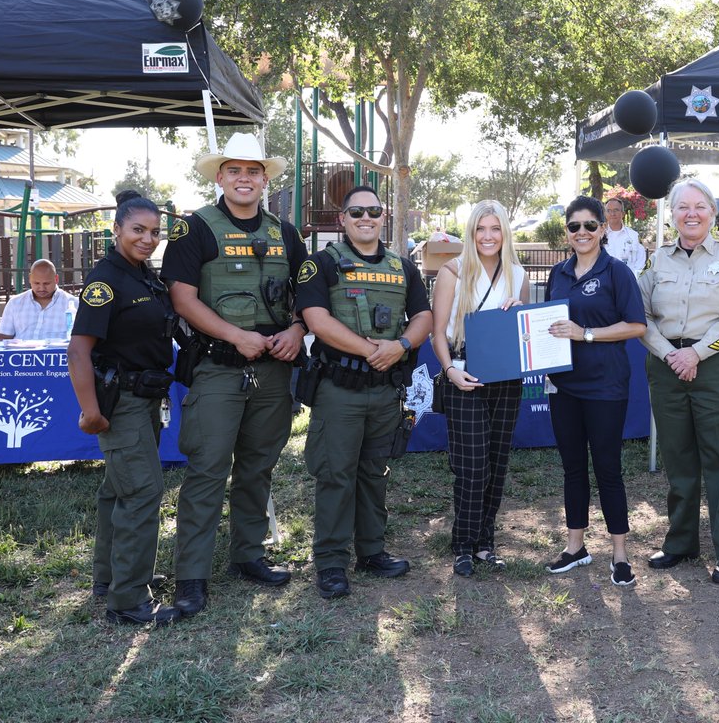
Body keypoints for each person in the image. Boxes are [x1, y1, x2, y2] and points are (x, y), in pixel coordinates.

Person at [161, 133, 308, 617]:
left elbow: (309, 297)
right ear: (220, 177)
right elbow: (182, 297)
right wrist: (235, 335)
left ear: (265, 180)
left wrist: (297, 329)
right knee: (207, 470)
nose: (244, 179)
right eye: (235, 170)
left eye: (253, 171)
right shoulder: (194, 228)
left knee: (257, 466)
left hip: (273, 371)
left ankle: (248, 555)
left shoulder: (287, 234)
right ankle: (192, 576)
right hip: (218, 367)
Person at [297, 185, 433, 599]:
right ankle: (331, 563)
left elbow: (423, 316)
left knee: (374, 472)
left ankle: (372, 551)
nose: (365, 218)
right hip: (339, 389)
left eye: (373, 211)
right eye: (356, 213)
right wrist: (374, 350)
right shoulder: (321, 264)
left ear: (383, 216)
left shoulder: (403, 267)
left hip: (385, 390)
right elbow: (316, 320)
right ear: (343, 220)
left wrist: (401, 345)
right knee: (336, 475)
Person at [67, 191, 180, 626]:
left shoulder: (143, 275)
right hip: (122, 402)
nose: (148, 239)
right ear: (116, 230)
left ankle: (112, 577)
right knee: (142, 492)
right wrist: (91, 411)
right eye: (138, 230)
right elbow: (78, 351)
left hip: (145, 397)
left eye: (154, 232)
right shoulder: (106, 280)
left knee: (117, 490)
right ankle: (129, 600)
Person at [638, 180, 719, 585]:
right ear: (672, 215)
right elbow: (640, 316)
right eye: (682, 207)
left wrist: (696, 354)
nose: (691, 214)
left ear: (712, 212)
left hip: (715, 367)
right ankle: (681, 542)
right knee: (678, 457)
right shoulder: (656, 262)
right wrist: (670, 354)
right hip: (666, 367)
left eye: (700, 206)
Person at [543, 196, 646, 586]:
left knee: (607, 468)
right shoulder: (557, 273)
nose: (582, 232)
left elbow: (636, 325)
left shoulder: (617, 272)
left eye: (590, 225)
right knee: (572, 468)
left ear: (603, 228)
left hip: (605, 386)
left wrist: (585, 334)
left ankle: (620, 555)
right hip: (563, 385)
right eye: (575, 226)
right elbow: (548, 324)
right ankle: (575, 548)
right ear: (567, 232)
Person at [432, 200, 529, 577]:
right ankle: (462, 544)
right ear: (471, 233)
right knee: (472, 467)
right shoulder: (453, 271)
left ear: (505, 232)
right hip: (464, 375)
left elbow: (524, 334)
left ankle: (485, 543)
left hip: (507, 377)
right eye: (481, 229)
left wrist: (519, 312)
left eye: (495, 229)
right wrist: (449, 372)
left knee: (497, 464)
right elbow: (438, 334)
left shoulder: (518, 274)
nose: (488, 236)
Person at [0, 259, 77, 340]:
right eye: (36, 283)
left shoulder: (74, 304)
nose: (41, 288)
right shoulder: (15, 303)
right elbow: (3, 338)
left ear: (56, 279)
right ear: (29, 278)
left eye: (46, 283)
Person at [603, 196, 646, 275]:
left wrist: (631, 279)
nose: (612, 214)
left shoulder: (633, 236)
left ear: (623, 213)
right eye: (609, 211)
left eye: (616, 210)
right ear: (605, 214)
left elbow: (640, 263)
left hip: (628, 279)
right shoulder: (599, 235)